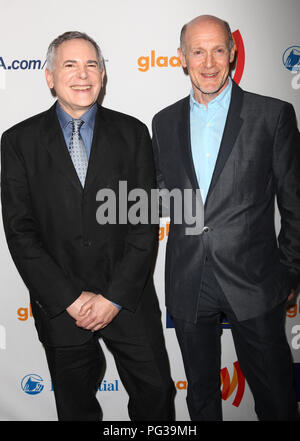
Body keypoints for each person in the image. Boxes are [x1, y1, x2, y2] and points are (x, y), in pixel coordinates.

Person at [1, 31, 175, 421]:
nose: (83, 75)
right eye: (70, 65)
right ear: (49, 77)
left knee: (157, 398)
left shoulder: (133, 133)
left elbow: (143, 223)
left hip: (127, 300)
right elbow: (20, 231)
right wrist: (69, 298)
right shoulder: (17, 142)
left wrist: (113, 298)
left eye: (91, 64)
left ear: (103, 74)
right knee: (75, 408)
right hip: (62, 307)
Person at [152, 15, 300, 421]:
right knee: (200, 399)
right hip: (187, 281)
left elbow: (295, 205)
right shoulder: (163, 122)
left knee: (277, 400)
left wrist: (287, 274)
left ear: (233, 54)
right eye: (197, 51)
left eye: (219, 49)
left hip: (255, 281)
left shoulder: (272, 115)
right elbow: (167, 198)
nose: (209, 62)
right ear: (182, 58)